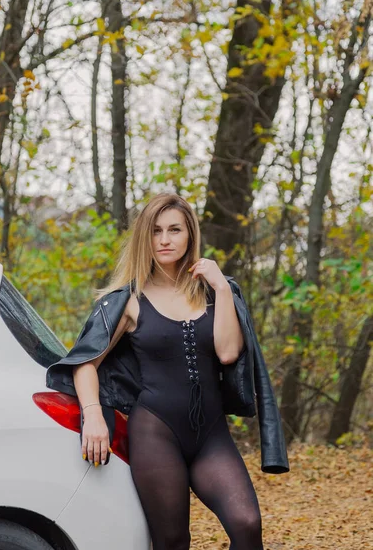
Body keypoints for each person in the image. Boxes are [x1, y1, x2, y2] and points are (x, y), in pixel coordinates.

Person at [46, 192, 289, 550]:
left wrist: (221, 286)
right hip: (155, 432)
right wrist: (93, 415)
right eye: (156, 231)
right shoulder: (127, 300)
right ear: (145, 237)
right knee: (172, 540)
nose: (164, 239)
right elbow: (85, 362)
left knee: (247, 524)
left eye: (174, 229)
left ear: (190, 235)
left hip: (211, 434)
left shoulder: (214, 292)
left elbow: (227, 352)